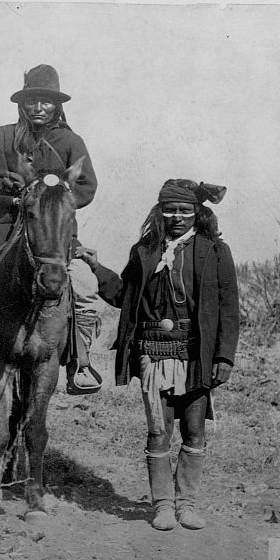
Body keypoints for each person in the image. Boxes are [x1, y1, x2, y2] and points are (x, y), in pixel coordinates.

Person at [76, 179, 240, 531]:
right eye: (170, 210)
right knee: (158, 431)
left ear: (198, 212)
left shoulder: (214, 250)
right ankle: (163, 506)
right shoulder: (145, 251)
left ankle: (187, 505)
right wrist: (95, 266)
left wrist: (224, 358)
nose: (176, 216)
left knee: (194, 430)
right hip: (153, 352)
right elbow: (124, 295)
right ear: (159, 212)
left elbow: (229, 308)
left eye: (184, 210)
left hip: (197, 354)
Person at [0, 64, 103, 394]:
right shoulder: (2, 135)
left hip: (54, 232)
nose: (39, 108)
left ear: (58, 105)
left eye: (47, 101)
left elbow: (86, 186)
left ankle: (80, 362)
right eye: (32, 101)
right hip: (7, 224)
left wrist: (55, 198)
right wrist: (18, 197)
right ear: (21, 103)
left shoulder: (72, 141)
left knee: (85, 285)